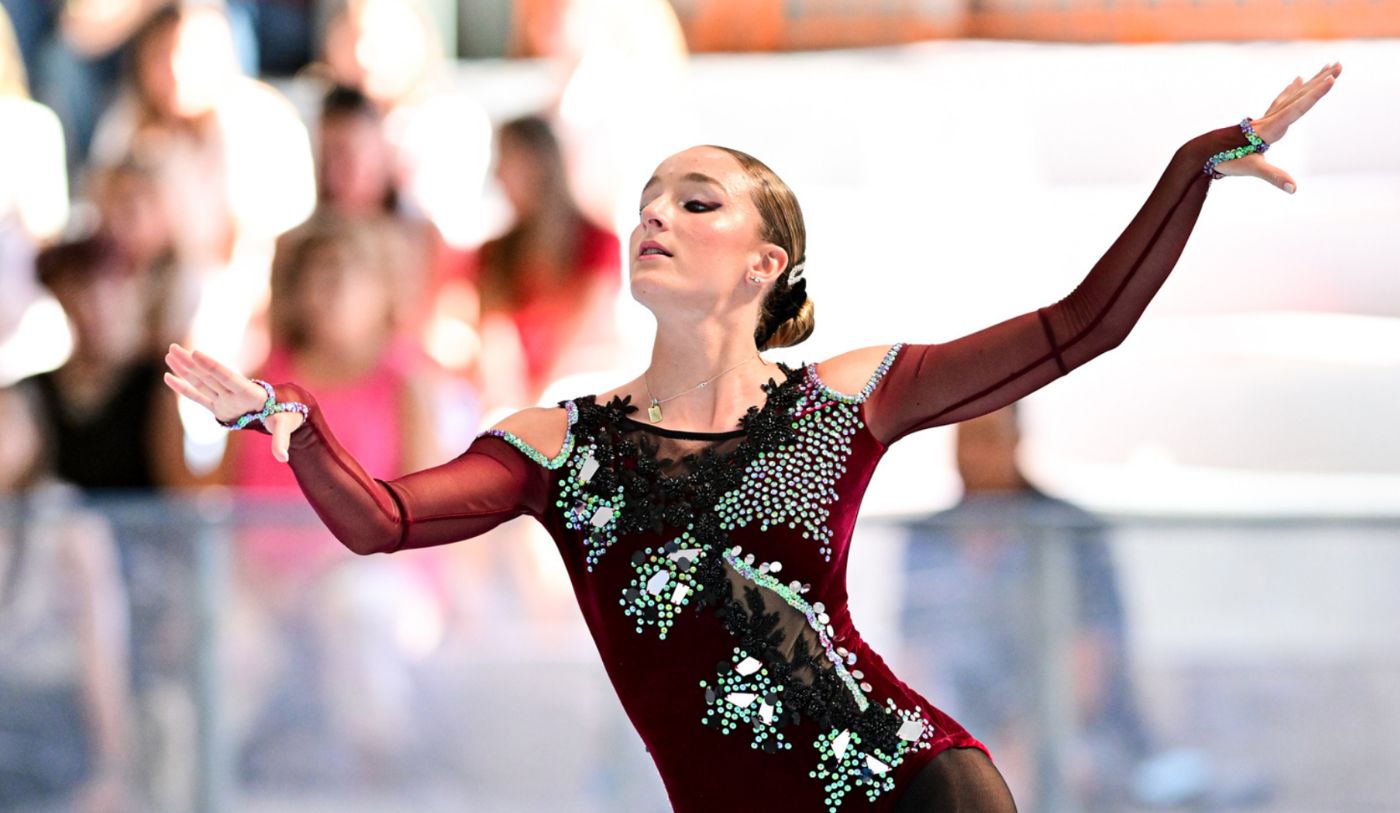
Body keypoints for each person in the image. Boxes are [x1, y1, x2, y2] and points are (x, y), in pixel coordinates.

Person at [162, 65, 1340, 811]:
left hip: (910, 786)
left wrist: (1193, 167)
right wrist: (288, 425)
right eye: (648, 201)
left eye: (695, 201)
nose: (655, 215)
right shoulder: (559, 444)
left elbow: (1081, 327)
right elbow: (380, 522)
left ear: (764, 262)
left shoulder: (843, 398)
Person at [899, 403, 1151, 810]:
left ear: (1015, 439)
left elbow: (1092, 664)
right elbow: (915, 657)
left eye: (986, 438)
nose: (973, 455)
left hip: (1067, 733)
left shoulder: (1071, 530)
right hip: (961, 731)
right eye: (964, 439)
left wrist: (1022, 748)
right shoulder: (927, 537)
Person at [473, 114, 622, 406]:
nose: (497, 175)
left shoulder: (597, 242)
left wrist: (537, 399)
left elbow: (585, 331)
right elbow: (495, 338)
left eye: (506, 160)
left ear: (538, 166)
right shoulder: (494, 252)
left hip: (578, 393)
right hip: (520, 400)